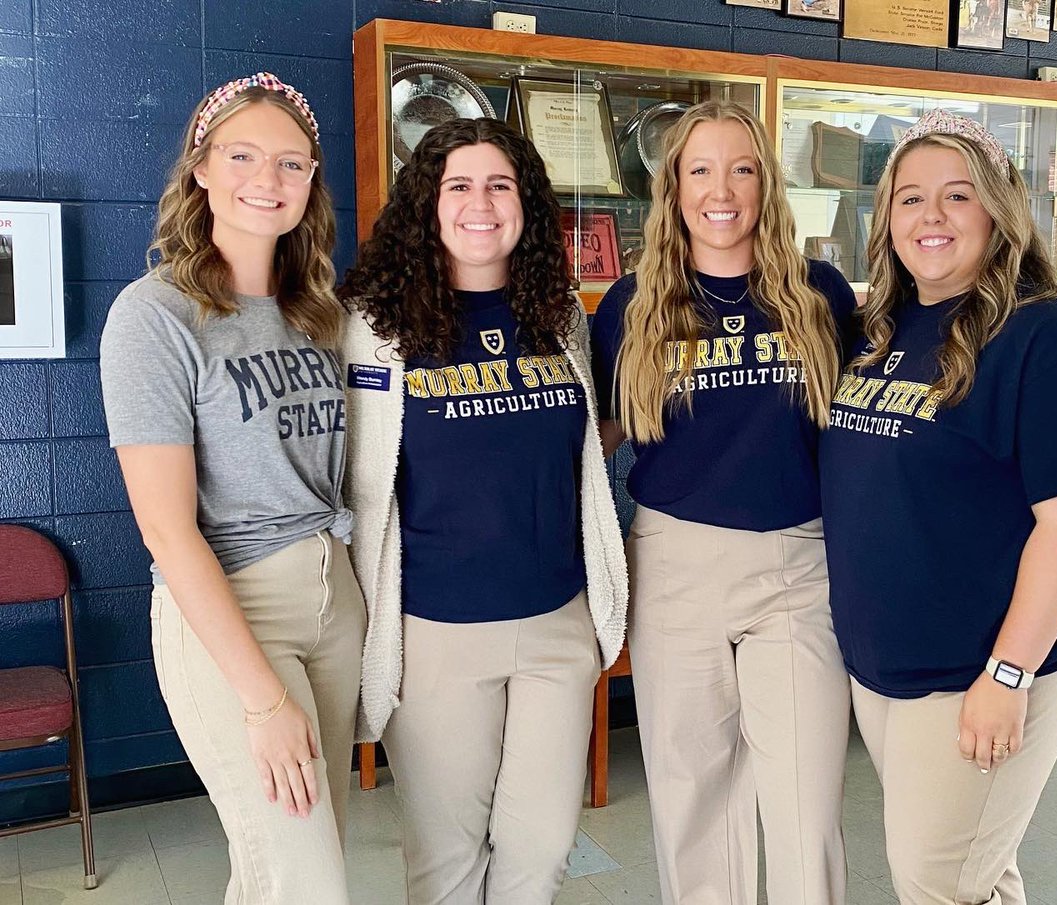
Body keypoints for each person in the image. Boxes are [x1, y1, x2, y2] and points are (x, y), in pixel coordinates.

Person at [819, 110, 1057, 905]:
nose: (931, 217)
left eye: (956, 195)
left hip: (979, 668)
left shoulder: (1046, 335)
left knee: (937, 878)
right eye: (910, 198)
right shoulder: (881, 328)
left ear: (998, 208)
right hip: (888, 666)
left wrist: (1008, 674)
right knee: (972, 868)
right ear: (886, 218)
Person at [337, 117, 628, 905]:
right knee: (446, 865)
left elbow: (583, 444)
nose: (480, 203)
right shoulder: (370, 326)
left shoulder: (558, 317)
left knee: (540, 851)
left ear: (526, 203)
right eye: (457, 185)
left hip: (556, 627)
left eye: (500, 184)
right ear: (426, 204)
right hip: (434, 636)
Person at [100, 73, 364, 904]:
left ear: (311, 183)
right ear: (202, 169)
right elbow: (167, 530)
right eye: (243, 155)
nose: (268, 179)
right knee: (307, 879)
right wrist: (260, 698)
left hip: (335, 597)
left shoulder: (321, 312)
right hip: (235, 608)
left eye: (292, 164)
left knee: (290, 868)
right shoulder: (156, 315)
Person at [591, 100, 856, 905]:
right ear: (671, 188)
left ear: (765, 184)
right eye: (700, 169)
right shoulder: (629, 305)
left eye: (742, 168)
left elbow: (865, 431)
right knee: (693, 798)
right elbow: (592, 442)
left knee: (805, 801)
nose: (722, 189)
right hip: (676, 563)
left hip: (797, 566)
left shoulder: (820, 294)